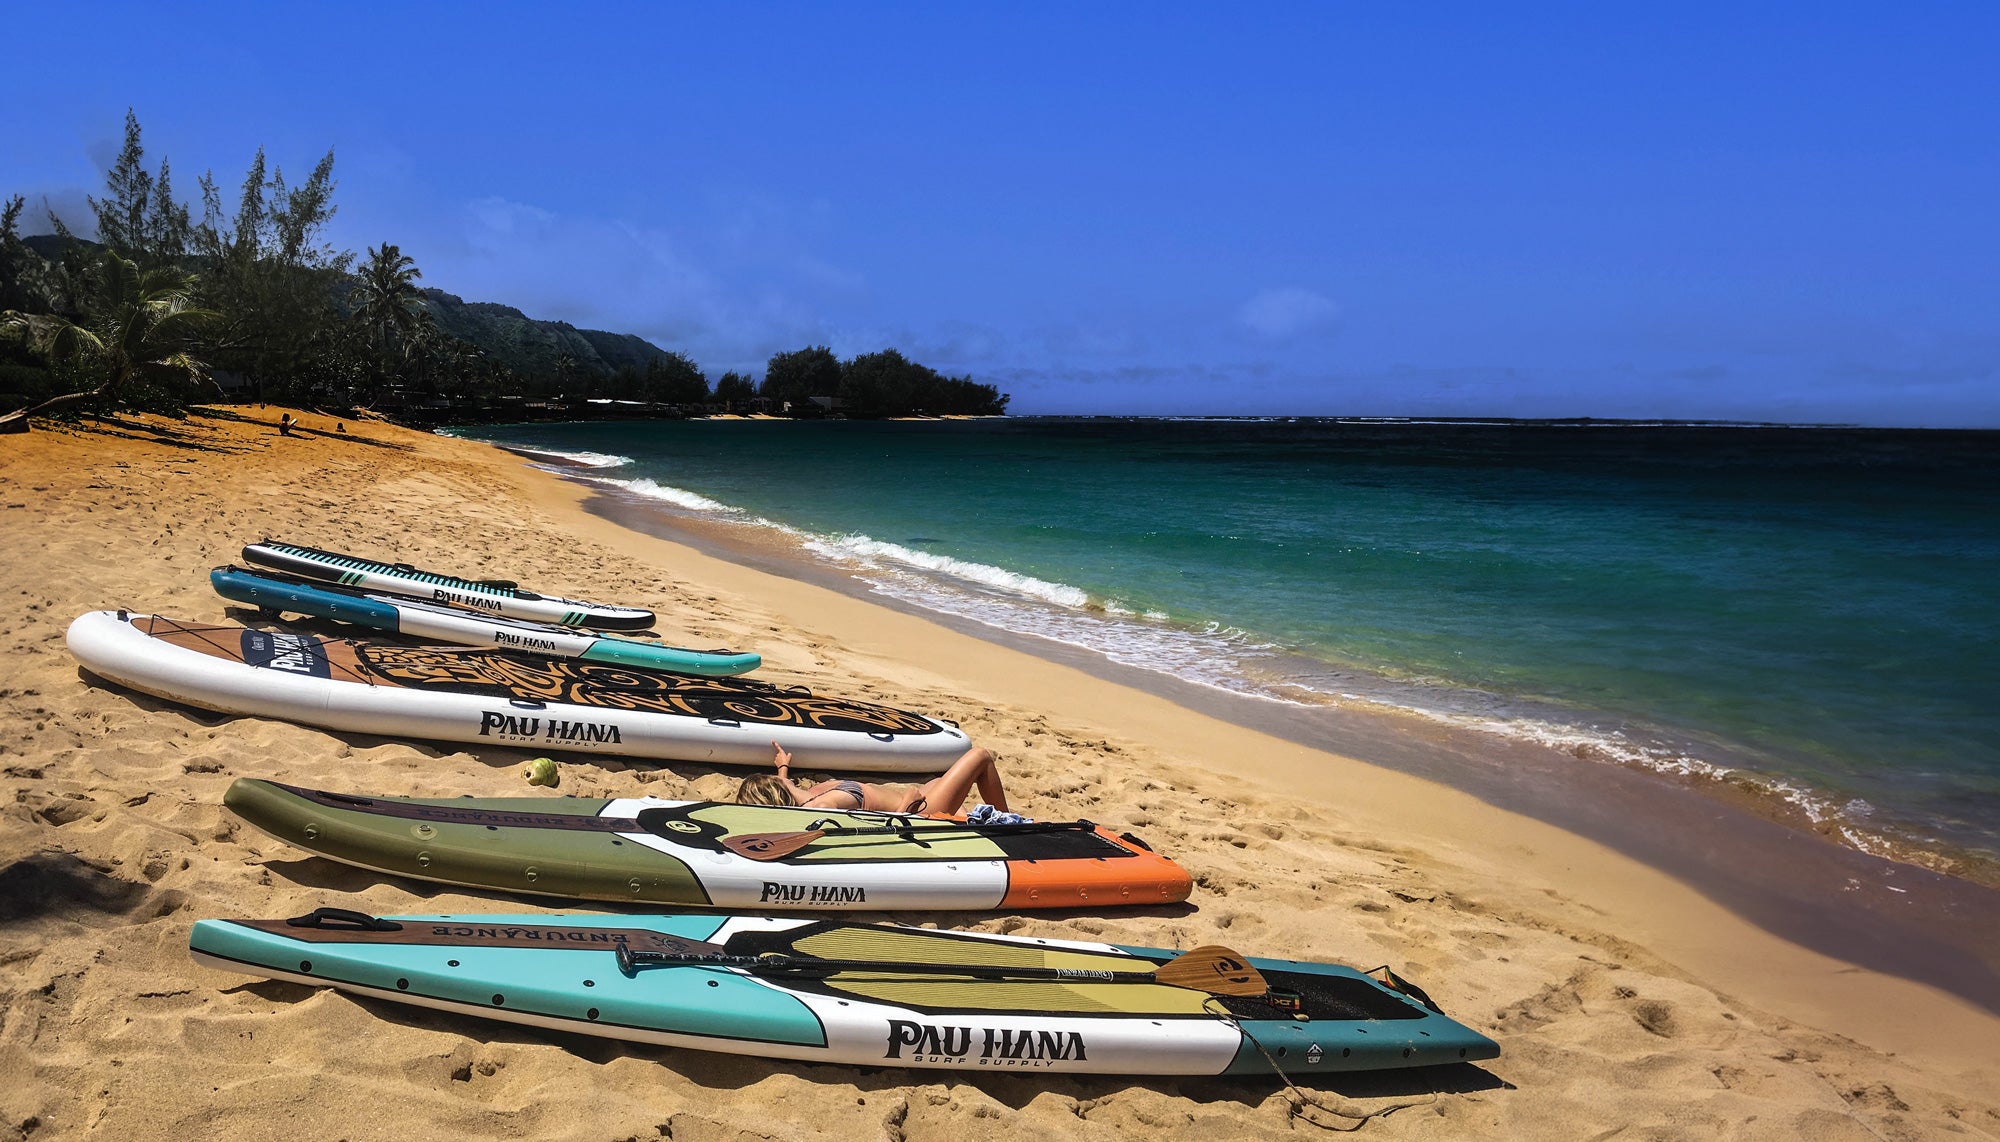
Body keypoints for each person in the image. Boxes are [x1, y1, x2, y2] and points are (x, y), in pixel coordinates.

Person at [737, 742, 1009, 815]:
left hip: (923, 797)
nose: (782, 777)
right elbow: (884, 831)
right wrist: (908, 807)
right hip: (921, 810)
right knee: (980, 757)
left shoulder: (797, 794)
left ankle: (968, 820)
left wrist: (783, 766)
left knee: (939, 782)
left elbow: (781, 786)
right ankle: (1010, 825)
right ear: (774, 791)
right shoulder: (825, 804)